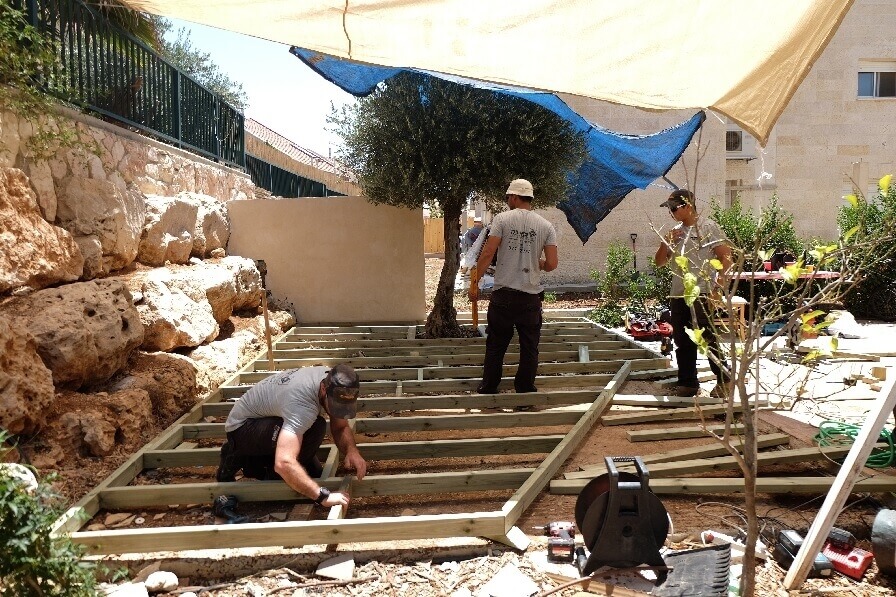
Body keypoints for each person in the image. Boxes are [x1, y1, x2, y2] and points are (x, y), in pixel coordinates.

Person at [216, 364, 367, 508]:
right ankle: (244, 459)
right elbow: (284, 463)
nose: (338, 411)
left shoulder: (333, 380)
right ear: (323, 389)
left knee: (316, 425)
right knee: (312, 427)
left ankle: (271, 466)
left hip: (268, 418)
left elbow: (340, 427)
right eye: (336, 405)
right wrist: (322, 496)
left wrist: (352, 451)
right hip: (242, 428)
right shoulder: (302, 405)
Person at [470, 178, 558, 395]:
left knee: (496, 344)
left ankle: (489, 387)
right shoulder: (546, 226)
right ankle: (525, 391)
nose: (507, 200)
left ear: (516, 197)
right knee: (529, 347)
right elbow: (552, 264)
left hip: (503, 295)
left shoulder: (502, 219)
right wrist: (538, 263)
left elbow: (488, 253)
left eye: (509, 196)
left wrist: (474, 284)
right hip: (530, 298)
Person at [654, 189, 734, 398]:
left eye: (674, 208)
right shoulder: (675, 232)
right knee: (682, 339)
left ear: (688, 206)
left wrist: (718, 289)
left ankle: (725, 379)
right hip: (678, 294)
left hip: (702, 291)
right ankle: (688, 383)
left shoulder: (708, 227)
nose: (671, 212)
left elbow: (726, 258)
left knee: (707, 337)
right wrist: (665, 242)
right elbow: (659, 262)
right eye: (669, 209)